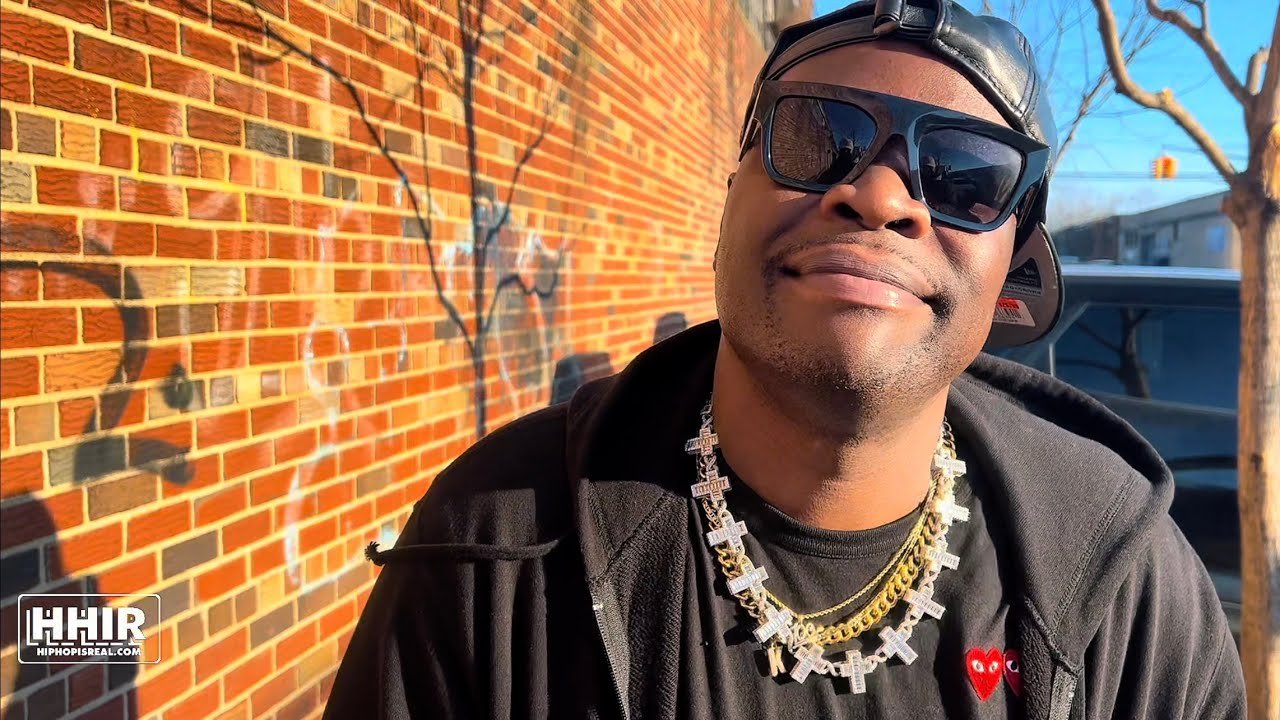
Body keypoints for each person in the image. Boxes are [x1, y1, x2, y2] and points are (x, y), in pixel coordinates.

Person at [323, 1, 1245, 718]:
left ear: (1017, 261)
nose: (880, 195)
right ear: (731, 199)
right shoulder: (496, 547)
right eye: (818, 136)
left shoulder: (1127, 592)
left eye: (965, 175)